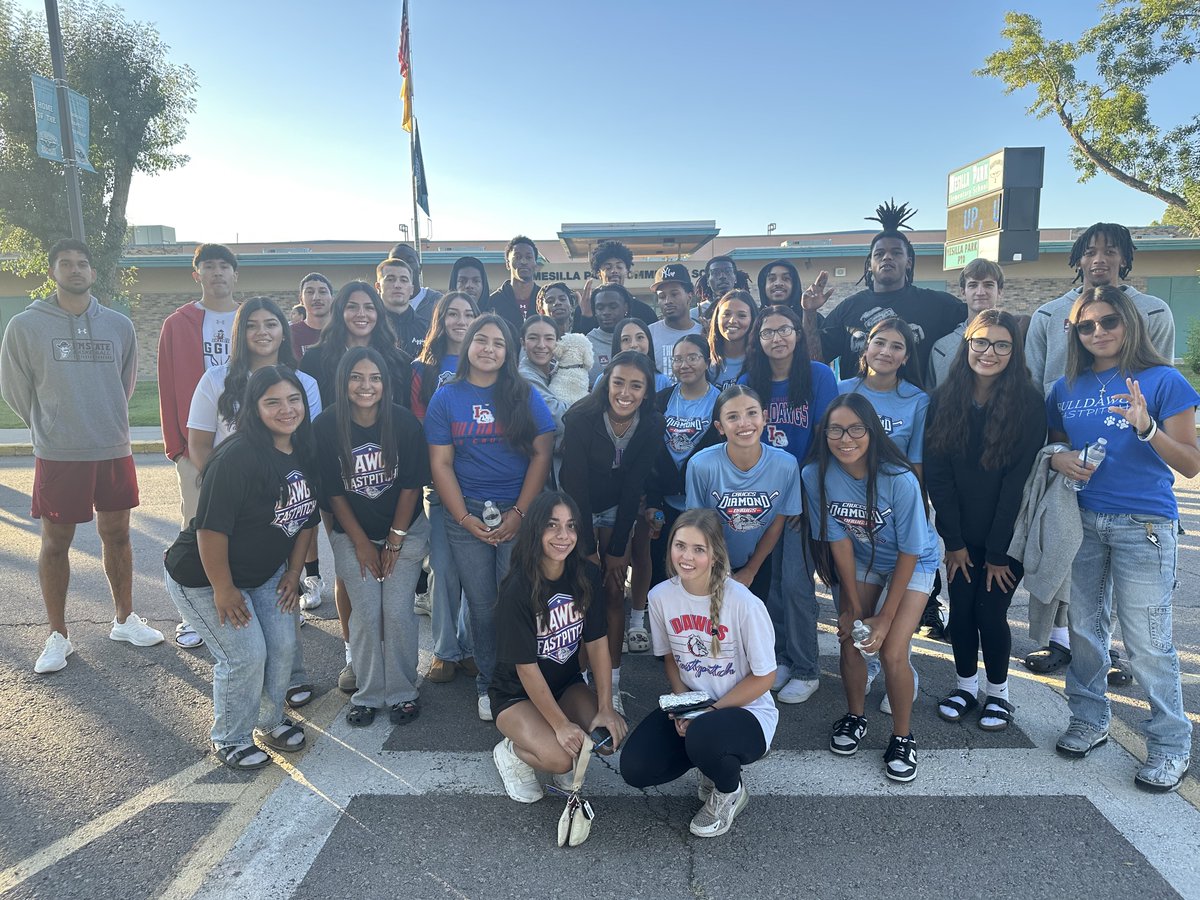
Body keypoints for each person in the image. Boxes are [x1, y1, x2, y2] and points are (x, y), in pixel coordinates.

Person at [1046, 284, 1197, 793]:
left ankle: (1171, 746)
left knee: (1147, 642)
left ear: (1129, 322)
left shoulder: (1163, 380)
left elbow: (1191, 464)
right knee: (1085, 631)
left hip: (1144, 525)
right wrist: (1059, 458)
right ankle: (1090, 719)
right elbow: (1054, 445)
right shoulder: (1065, 386)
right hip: (1082, 521)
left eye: (1108, 321)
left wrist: (1147, 427)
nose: (1098, 332)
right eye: (1085, 325)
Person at [1023, 224, 1176, 681]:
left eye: (1110, 251)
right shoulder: (1048, 314)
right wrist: (1051, 453)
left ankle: (1112, 652)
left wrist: (1146, 428)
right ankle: (1062, 640)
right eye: (1090, 252)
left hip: (1132, 463)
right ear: (1078, 260)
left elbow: (1161, 384)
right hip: (1067, 453)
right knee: (1067, 555)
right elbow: (1033, 387)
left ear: (1125, 258)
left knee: (1130, 584)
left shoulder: (1154, 311)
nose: (1099, 259)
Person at [1, 238, 161, 673]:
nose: (75, 269)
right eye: (66, 263)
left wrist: (105, 417)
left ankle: (125, 620)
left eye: (82, 263)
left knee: (119, 535)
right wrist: (49, 425)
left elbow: (125, 382)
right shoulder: (25, 326)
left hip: (113, 446)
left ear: (92, 272)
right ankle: (58, 635)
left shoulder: (118, 325)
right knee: (56, 543)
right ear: (52, 272)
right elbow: (14, 388)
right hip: (59, 452)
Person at [164, 366, 319, 771]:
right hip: (204, 577)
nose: (286, 409)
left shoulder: (306, 449)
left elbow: (307, 519)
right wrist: (224, 589)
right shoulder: (236, 456)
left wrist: (293, 573)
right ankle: (230, 738)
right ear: (253, 407)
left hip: (265, 573)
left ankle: (269, 720)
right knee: (246, 656)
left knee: (282, 646)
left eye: (294, 399)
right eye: (273, 402)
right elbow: (210, 530)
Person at [185, 297, 324, 708]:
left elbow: (305, 441)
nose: (262, 332)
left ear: (284, 330)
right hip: (237, 502)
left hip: (285, 505)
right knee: (246, 638)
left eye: (271, 323)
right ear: (239, 332)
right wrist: (230, 486)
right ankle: (249, 711)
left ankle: (290, 678)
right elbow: (199, 443)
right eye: (252, 324)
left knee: (282, 598)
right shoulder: (216, 379)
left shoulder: (304, 382)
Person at [803, 394, 941, 782]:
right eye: (835, 430)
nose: (845, 439)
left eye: (855, 429)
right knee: (852, 637)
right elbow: (839, 541)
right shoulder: (815, 474)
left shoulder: (899, 478)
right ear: (824, 434)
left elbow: (911, 550)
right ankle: (855, 716)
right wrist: (849, 604)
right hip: (863, 559)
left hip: (911, 561)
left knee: (892, 649)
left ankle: (903, 737)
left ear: (872, 431)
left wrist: (885, 615)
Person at [426, 314, 556, 721]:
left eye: (499, 343)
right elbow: (441, 464)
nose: (489, 349)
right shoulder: (446, 397)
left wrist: (519, 513)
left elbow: (542, 453)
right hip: (466, 516)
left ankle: (520, 681)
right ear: (468, 345)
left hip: (518, 512)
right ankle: (489, 685)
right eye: (481, 340)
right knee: (482, 605)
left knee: (513, 601)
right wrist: (464, 518)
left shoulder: (523, 393)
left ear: (508, 352)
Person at [619, 509, 777, 839]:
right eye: (680, 546)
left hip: (747, 711)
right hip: (697, 705)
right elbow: (670, 659)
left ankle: (729, 791)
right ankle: (708, 761)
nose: (687, 557)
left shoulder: (744, 603)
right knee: (635, 767)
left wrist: (709, 712)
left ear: (715, 554)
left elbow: (765, 678)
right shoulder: (660, 597)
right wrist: (683, 707)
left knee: (704, 734)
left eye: (698, 549)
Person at [925, 310, 1045, 732]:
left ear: (1014, 351)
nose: (989, 352)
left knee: (990, 613)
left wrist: (997, 552)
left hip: (1006, 536)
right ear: (967, 345)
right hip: (961, 535)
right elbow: (937, 475)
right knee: (961, 612)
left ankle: (998, 694)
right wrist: (954, 542)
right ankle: (965, 687)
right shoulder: (944, 398)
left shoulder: (1028, 402)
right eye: (981, 342)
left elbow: (1017, 484)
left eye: (1001, 344)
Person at [314, 348, 431, 727]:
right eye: (356, 377)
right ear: (343, 381)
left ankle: (401, 691)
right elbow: (333, 493)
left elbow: (412, 486)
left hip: (405, 529)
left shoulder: (404, 423)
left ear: (385, 383)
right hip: (352, 532)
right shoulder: (326, 425)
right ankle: (367, 693)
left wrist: (394, 540)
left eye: (375, 378)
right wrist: (362, 543)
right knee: (365, 612)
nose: (366, 386)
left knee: (395, 611)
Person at [491, 492, 627, 803]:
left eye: (571, 525)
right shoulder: (517, 588)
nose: (563, 535)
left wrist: (606, 707)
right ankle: (511, 752)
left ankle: (553, 732)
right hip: (515, 694)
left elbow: (597, 643)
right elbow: (526, 668)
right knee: (561, 759)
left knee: (606, 740)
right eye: (552, 525)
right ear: (535, 530)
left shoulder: (586, 574)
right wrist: (561, 725)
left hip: (566, 685)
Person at [741, 304, 838, 705]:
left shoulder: (818, 376)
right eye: (768, 332)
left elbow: (825, 438)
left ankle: (806, 667)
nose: (777, 338)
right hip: (764, 496)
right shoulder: (750, 381)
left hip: (802, 495)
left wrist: (802, 496)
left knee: (797, 582)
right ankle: (781, 656)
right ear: (758, 340)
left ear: (798, 334)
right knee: (773, 583)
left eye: (785, 330)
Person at [560, 351, 664, 715]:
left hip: (619, 507)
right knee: (582, 593)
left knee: (614, 591)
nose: (625, 392)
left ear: (647, 391)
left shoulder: (652, 423)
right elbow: (575, 484)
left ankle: (613, 683)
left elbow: (634, 484)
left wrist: (618, 549)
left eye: (636, 385)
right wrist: (588, 548)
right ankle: (579, 681)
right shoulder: (580, 417)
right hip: (580, 507)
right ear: (606, 382)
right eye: (618, 382)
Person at [157, 243, 241, 649]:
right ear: (197, 275)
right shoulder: (179, 323)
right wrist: (177, 447)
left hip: (246, 446)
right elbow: (167, 385)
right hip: (197, 446)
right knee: (197, 527)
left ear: (235, 275)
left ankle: (243, 602)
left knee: (247, 527)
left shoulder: (250, 318)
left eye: (225, 266)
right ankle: (193, 614)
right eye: (209, 266)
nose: (217, 272)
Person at [801, 201, 966, 379]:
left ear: (909, 262)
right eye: (879, 254)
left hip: (915, 397)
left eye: (896, 253)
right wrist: (809, 313)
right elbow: (814, 360)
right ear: (869, 264)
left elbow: (977, 329)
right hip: (855, 397)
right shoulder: (848, 308)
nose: (887, 257)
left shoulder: (937, 304)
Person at [410, 291, 479, 683]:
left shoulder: (485, 362)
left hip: (480, 484)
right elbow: (423, 425)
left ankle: (466, 647)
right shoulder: (422, 369)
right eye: (453, 313)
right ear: (440, 320)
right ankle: (444, 650)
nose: (461, 320)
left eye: (468, 314)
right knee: (442, 567)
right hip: (440, 483)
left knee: (474, 570)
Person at [686, 384, 802, 600]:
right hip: (708, 560)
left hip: (757, 561)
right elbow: (697, 524)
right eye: (732, 417)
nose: (744, 423)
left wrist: (751, 570)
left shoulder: (786, 465)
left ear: (764, 417)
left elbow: (777, 523)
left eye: (752, 413)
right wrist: (719, 568)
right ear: (720, 427)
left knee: (752, 618)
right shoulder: (701, 465)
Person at [647, 335, 723, 593]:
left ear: (707, 361)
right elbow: (652, 455)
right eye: (678, 359)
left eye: (692, 357)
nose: (684, 365)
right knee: (664, 571)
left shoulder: (721, 402)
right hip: (665, 504)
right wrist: (652, 502)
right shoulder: (661, 400)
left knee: (703, 571)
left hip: (706, 504)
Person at [837, 317, 929, 477]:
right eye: (879, 343)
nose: (885, 352)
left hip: (893, 488)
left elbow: (916, 462)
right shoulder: (840, 391)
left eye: (896, 347)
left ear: (906, 357)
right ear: (866, 348)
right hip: (843, 485)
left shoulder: (918, 400)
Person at [299, 281, 409, 410]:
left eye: (369, 307)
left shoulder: (400, 361)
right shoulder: (313, 359)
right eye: (352, 307)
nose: (361, 314)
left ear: (379, 313)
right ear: (339, 312)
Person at [928, 258, 1004, 387]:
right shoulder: (942, 348)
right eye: (973, 285)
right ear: (963, 291)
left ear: (1000, 290)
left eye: (988, 285)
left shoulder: (1014, 340)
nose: (980, 292)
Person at [519, 315, 569, 467]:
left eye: (549, 338)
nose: (541, 345)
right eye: (533, 338)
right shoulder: (524, 377)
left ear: (557, 343)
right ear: (523, 343)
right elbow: (557, 419)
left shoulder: (558, 371)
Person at [575, 240, 658, 331]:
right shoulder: (585, 308)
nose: (614, 271)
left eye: (619, 267)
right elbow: (578, 338)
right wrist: (587, 318)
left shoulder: (644, 311)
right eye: (608, 267)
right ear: (599, 273)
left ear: (627, 271)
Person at [648, 264, 703, 378]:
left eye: (674, 294)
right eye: (662, 296)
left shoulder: (704, 333)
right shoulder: (648, 334)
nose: (667, 301)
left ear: (689, 295)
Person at [485, 236, 540, 331]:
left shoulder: (544, 299)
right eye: (517, 257)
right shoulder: (492, 302)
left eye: (529, 257)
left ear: (535, 263)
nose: (523, 262)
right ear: (507, 264)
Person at [584, 283, 633, 386]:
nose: (606, 312)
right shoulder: (586, 344)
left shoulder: (637, 339)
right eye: (600, 308)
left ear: (626, 308)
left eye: (613, 307)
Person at [376, 257, 425, 358]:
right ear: (378, 287)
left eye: (404, 280)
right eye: (390, 279)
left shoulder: (427, 328)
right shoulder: (370, 327)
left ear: (411, 289)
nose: (397, 285)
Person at [709, 289, 759, 389]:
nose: (732, 321)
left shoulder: (760, 360)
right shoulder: (704, 357)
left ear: (752, 320)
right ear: (717, 318)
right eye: (726, 314)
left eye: (741, 315)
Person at [611, 317, 672, 392]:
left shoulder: (662, 381)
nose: (633, 345)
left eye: (640, 337)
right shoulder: (605, 378)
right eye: (626, 339)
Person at [388, 242, 443, 320]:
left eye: (409, 261)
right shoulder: (378, 306)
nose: (403, 265)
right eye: (396, 261)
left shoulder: (438, 302)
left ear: (420, 268)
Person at [291, 273, 334, 357]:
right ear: (301, 299)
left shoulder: (343, 331)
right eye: (310, 292)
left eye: (322, 292)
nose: (316, 297)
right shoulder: (291, 334)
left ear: (332, 298)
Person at [696, 256, 752, 320]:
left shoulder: (749, 309)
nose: (722, 276)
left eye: (728, 271)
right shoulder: (695, 314)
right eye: (716, 273)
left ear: (735, 278)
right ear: (707, 281)